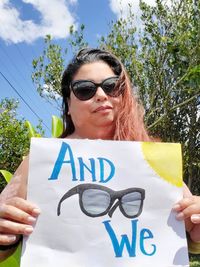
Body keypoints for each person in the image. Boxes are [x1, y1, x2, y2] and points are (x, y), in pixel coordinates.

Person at [0, 48, 200, 260]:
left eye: (111, 86)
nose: (101, 95)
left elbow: (188, 238)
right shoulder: (40, 163)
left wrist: (195, 229)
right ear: (68, 104)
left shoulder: (151, 159)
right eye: (85, 89)